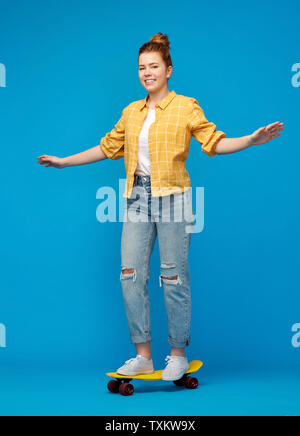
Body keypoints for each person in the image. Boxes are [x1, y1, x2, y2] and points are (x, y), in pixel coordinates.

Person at [37, 32, 284, 381]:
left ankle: (178, 354)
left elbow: (214, 142)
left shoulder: (186, 106)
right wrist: (65, 161)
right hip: (138, 197)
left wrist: (251, 140)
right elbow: (107, 148)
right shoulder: (130, 112)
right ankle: (143, 356)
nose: (147, 72)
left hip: (174, 198)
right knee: (130, 274)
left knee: (173, 276)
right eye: (142, 67)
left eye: (154, 66)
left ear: (169, 69)